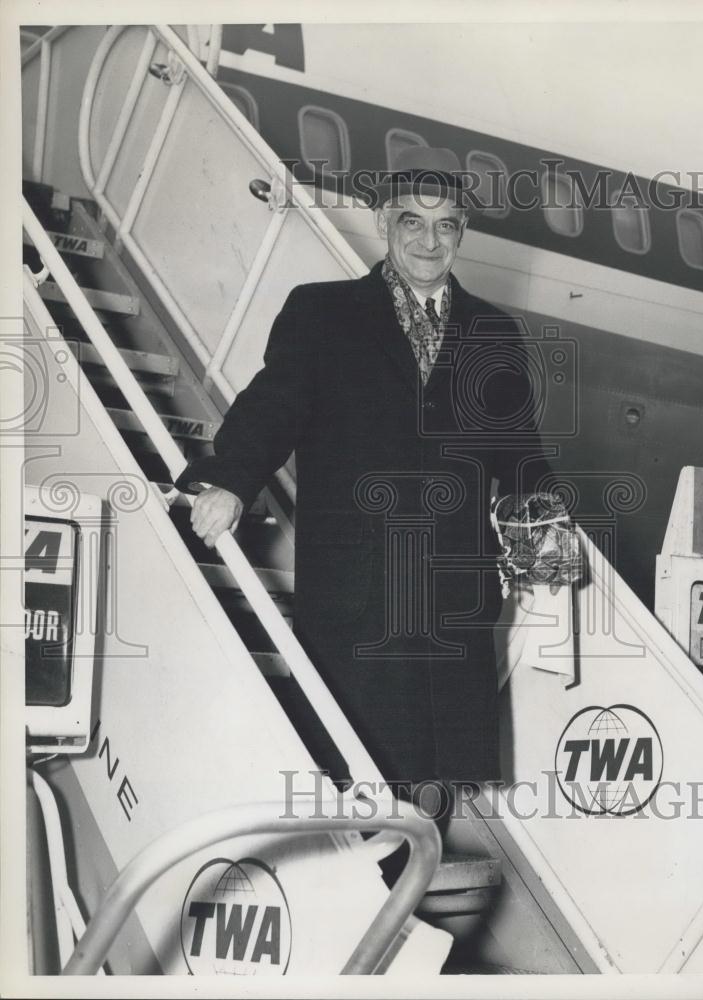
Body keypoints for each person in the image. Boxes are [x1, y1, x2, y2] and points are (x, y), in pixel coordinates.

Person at [175, 147, 548, 842]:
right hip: (359, 577)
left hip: (449, 585)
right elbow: (275, 404)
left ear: (462, 233)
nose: (429, 241)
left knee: (435, 771)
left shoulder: (494, 332)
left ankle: (409, 876)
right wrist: (228, 479)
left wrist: (544, 538)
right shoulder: (324, 312)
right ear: (385, 224)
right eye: (413, 223)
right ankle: (361, 895)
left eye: (446, 227)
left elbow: (520, 452)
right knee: (353, 755)